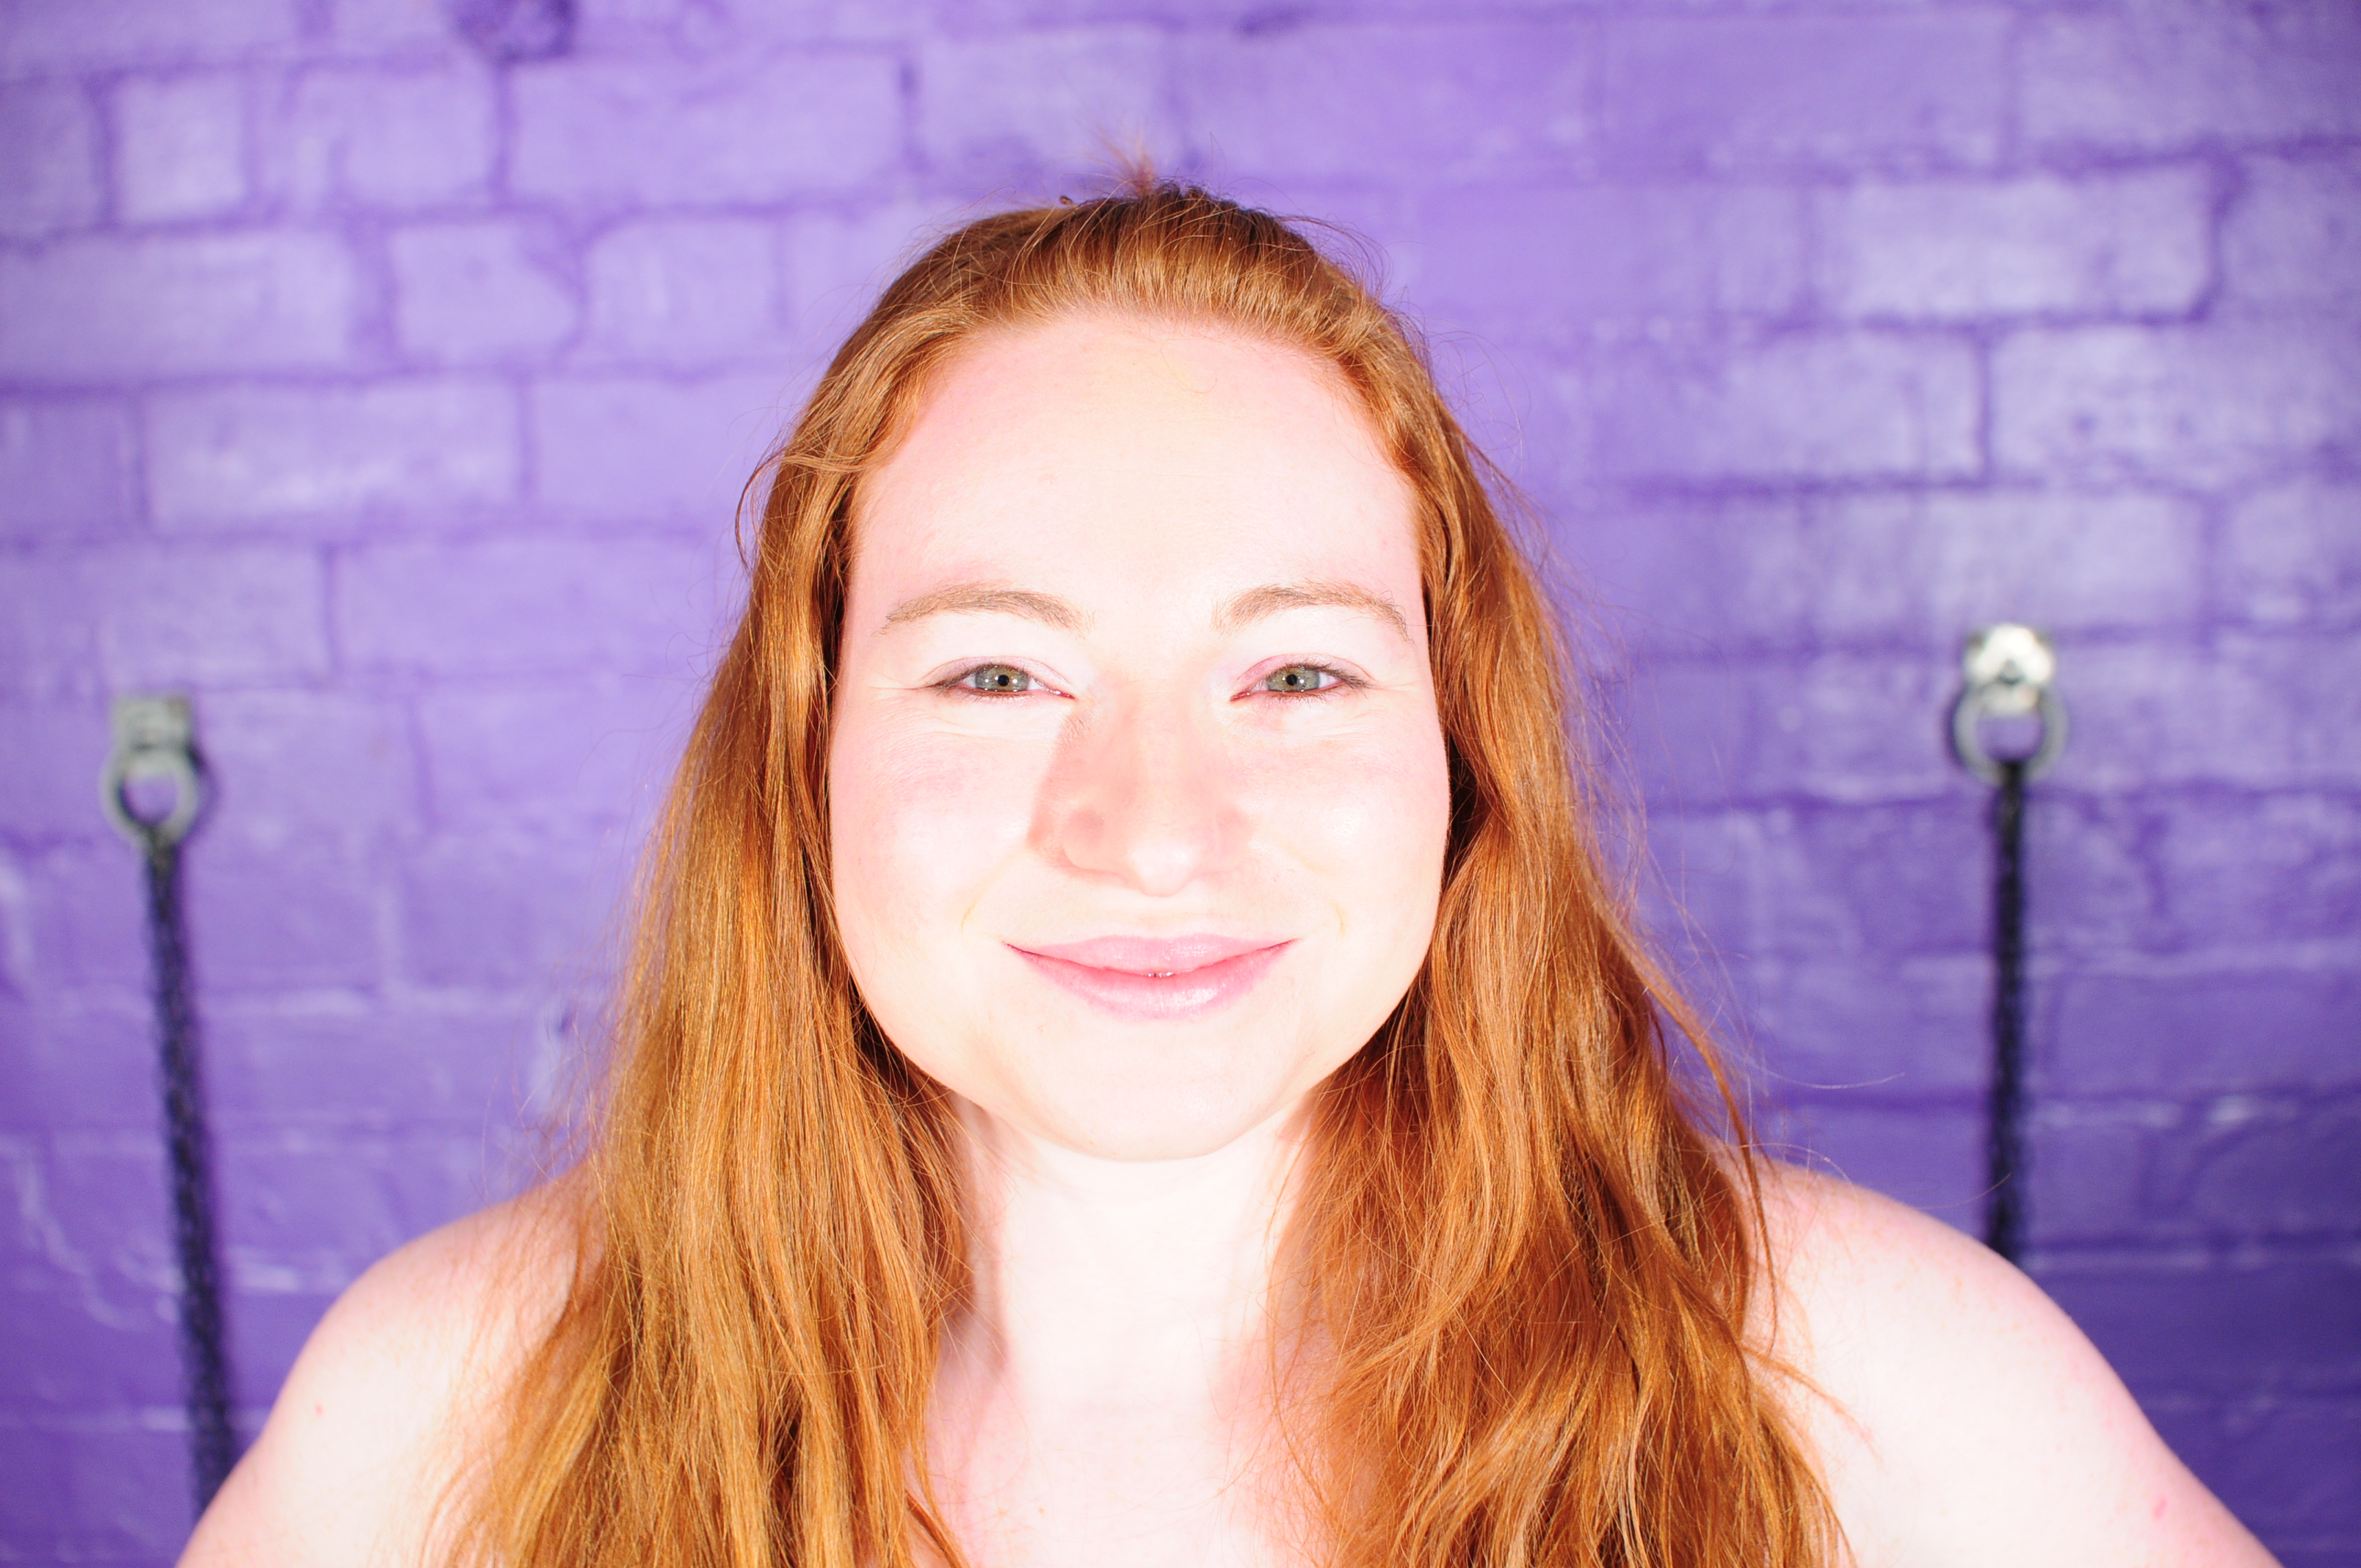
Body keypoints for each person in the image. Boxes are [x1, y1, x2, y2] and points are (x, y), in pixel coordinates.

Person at [184, 183, 2274, 1568]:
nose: (1156, 826)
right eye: (996, 671)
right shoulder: (449, 1412)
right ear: (802, 767)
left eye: (1295, 673)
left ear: (1459, 763)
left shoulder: (1866, 1387)